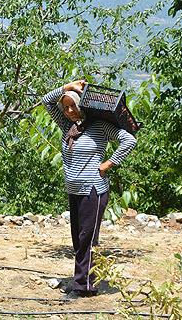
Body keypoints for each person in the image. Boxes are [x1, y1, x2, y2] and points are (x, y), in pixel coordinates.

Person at [42, 79, 137, 298]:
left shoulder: (99, 127)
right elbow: (46, 102)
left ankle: (84, 286)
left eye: (72, 106)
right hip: (74, 190)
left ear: (82, 105)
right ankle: (84, 280)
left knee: (87, 238)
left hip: (93, 190)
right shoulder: (68, 127)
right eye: (65, 107)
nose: (68, 111)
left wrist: (108, 163)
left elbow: (129, 140)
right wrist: (67, 88)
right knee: (78, 238)